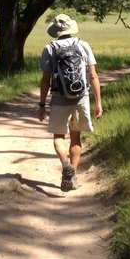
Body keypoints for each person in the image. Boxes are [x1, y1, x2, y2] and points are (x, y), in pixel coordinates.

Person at [37, 13, 103, 192]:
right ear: (71, 28)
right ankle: (72, 176)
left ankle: (65, 164)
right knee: (76, 137)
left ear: (56, 31)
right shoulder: (83, 45)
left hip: (59, 98)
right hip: (81, 97)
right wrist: (98, 103)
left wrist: (42, 105)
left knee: (58, 137)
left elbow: (45, 80)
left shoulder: (50, 48)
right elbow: (93, 76)